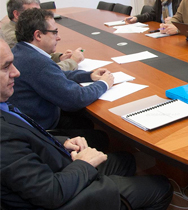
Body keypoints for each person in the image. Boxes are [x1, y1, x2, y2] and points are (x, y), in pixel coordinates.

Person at [0, 34, 172, 210]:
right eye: (5, 67)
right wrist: (84, 164)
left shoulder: (3, 105)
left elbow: (27, 141)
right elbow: (51, 194)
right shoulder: (3, 138)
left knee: (127, 161)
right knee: (161, 187)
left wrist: (61, 143)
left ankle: (119, 201)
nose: (16, 72)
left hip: (55, 168)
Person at [9, 8, 113, 145]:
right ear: (38, 35)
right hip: (41, 130)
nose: (59, 37)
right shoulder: (38, 63)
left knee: (84, 121)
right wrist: (104, 84)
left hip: (35, 117)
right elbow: (76, 98)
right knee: (101, 138)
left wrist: (89, 76)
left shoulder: (20, 50)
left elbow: (56, 74)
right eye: (54, 32)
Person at [0, 0, 84, 71]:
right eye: (34, 12)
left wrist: (59, 57)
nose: (40, 16)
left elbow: (38, 56)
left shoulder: (9, 26)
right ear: (17, 14)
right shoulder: (15, 38)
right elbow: (43, 70)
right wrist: (72, 62)